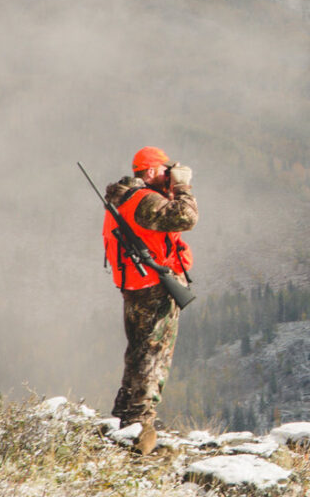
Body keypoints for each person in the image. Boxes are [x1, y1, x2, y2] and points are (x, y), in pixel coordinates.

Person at [102, 146, 197, 455]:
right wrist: (182, 187)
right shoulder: (145, 200)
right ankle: (140, 430)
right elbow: (185, 216)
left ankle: (124, 419)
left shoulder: (126, 198)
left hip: (136, 285)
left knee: (139, 352)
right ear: (152, 171)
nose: (169, 176)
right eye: (165, 171)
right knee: (153, 357)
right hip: (154, 287)